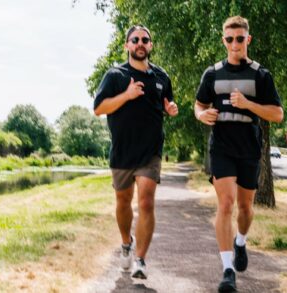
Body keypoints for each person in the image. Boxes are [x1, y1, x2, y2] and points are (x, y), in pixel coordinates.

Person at [194, 16, 283, 292]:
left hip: (248, 147)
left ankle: (240, 242)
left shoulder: (261, 75)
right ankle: (228, 270)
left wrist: (248, 103)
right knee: (226, 204)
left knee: (245, 208)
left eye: (240, 38)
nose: (235, 44)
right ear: (224, 41)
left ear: (248, 40)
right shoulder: (212, 74)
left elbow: (277, 114)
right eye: (229, 39)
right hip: (221, 146)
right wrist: (202, 115)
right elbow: (198, 105)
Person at [93, 24, 178, 279]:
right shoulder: (115, 75)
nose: (140, 43)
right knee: (123, 202)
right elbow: (99, 108)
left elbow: (166, 104)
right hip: (122, 150)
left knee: (146, 201)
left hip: (150, 150)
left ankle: (140, 259)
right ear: (127, 45)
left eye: (145, 40)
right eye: (135, 39)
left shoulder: (161, 77)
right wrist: (127, 95)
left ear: (150, 45)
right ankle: (126, 242)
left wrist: (170, 109)